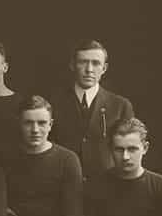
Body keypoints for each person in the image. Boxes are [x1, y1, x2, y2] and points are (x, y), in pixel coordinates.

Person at [50, 39, 134, 179]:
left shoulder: (121, 106)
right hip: (63, 183)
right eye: (83, 62)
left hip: (108, 187)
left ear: (104, 68)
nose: (89, 69)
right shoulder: (54, 103)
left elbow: (129, 150)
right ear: (72, 65)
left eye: (96, 63)